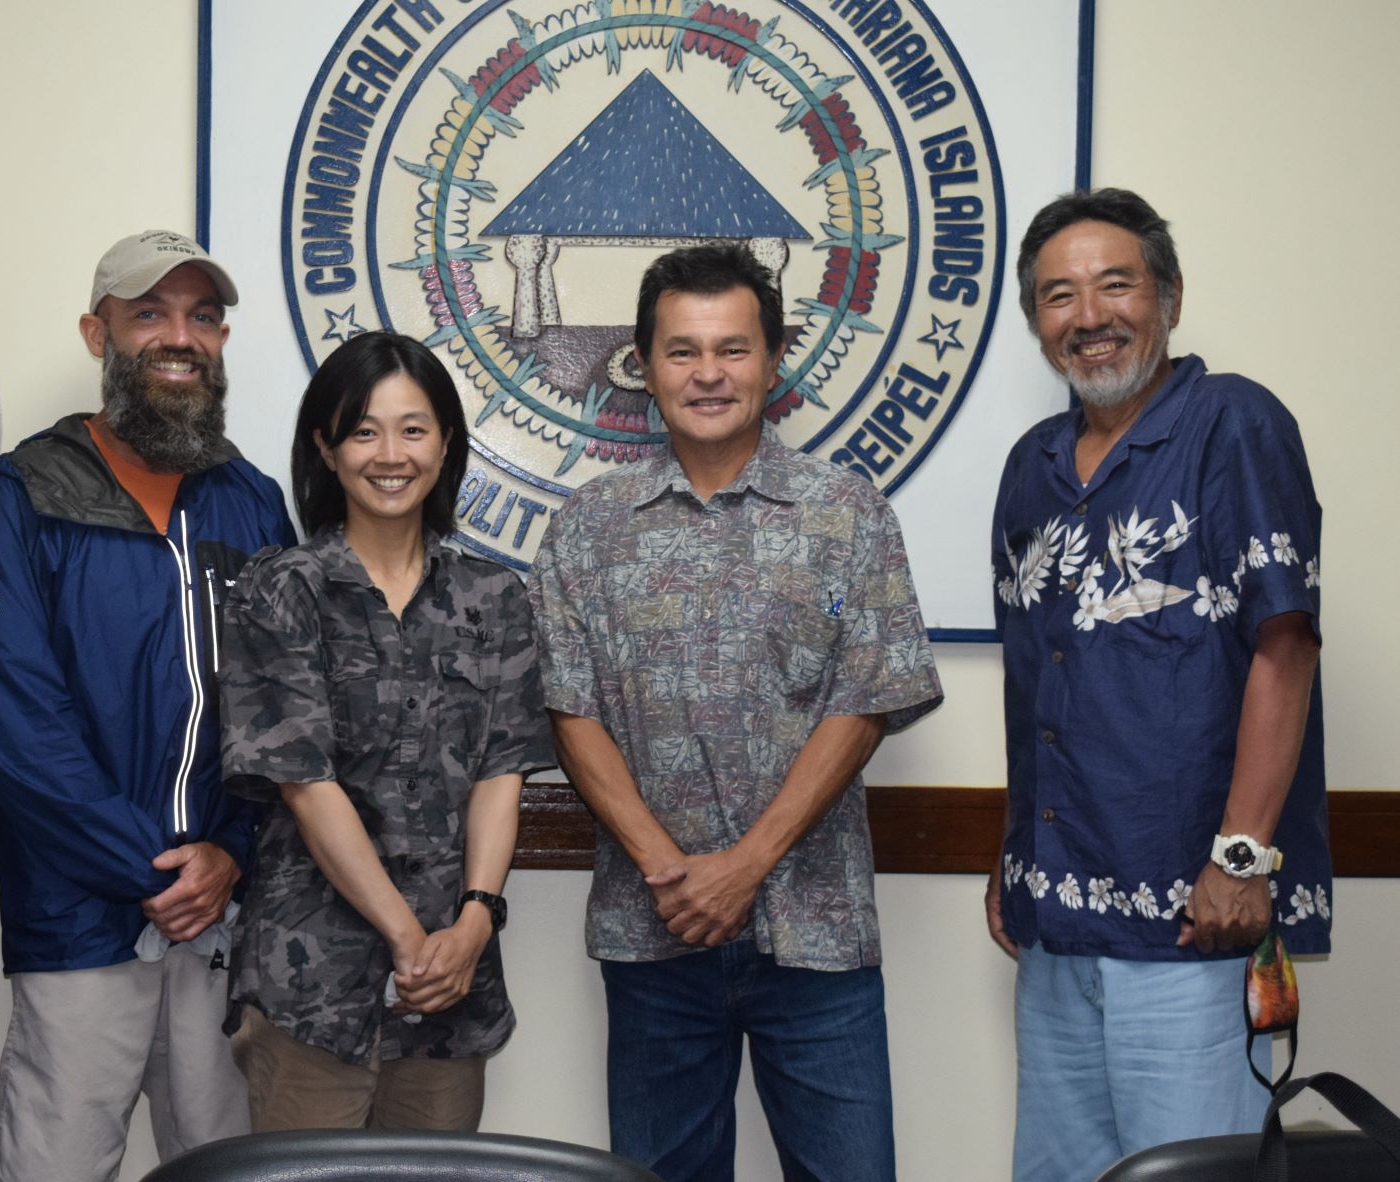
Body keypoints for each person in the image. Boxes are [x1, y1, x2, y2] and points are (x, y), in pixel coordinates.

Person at [528, 243, 944, 1182]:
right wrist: (668, 870)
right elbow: (571, 709)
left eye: (731, 349)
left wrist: (744, 867)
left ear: (772, 360)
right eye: (680, 351)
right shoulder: (587, 529)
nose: (707, 373)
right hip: (654, 928)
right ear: (641, 364)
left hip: (817, 933)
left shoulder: (846, 513)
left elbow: (866, 699)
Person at [985, 188, 1328, 1181]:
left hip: (1194, 917)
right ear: (1037, 325)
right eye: (1057, 296)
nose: (1088, 316)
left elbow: (1285, 645)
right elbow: (1036, 680)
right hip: (1055, 916)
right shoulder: (1031, 466)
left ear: (1171, 296)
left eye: (1115, 285)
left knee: (1186, 1173)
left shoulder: (1233, 424)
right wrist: (1014, 853)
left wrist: (1243, 858)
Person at [0, 229, 295, 1179]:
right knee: (57, 1163)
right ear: (97, 333)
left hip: (220, 916)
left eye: (202, 315)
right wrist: (151, 868)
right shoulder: (27, 491)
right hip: (81, 916)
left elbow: (280, 709)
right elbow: (18, 721)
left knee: (227, 1162)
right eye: (149, 312)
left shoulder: (252, 503)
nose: (179, 335)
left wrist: (229, 853)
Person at [219, 330, 551, 1131]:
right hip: (311, 987)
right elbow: (303, 781)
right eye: (363, 430)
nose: (389, 453)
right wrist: (408, 937)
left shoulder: (493, 598)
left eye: (412, 428)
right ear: (325, 449)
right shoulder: (280, 589)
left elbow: (500, 775)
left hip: (449, 988)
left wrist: (472, 922)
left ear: (446, 444)